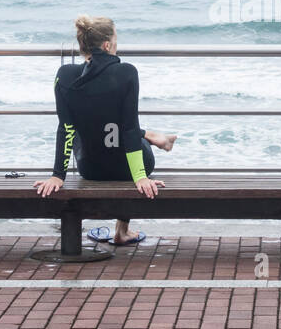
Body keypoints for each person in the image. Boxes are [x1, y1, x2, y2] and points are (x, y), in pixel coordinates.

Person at [34, 15, 176, 246]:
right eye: (116, 39)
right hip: (128, 169)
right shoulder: (127, 72)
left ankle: (153, 136)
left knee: (86, 126)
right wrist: (140, 175)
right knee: (122, 130)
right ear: (107, 45)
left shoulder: (65, 75)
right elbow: (129, 128)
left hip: (90, 168)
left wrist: (57, 175)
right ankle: (122, 230)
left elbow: (66, 128)